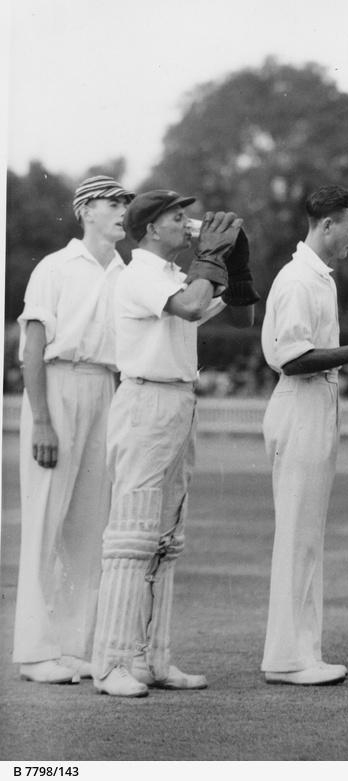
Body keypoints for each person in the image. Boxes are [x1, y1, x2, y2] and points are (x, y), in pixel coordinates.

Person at [90, 190, 257, 697]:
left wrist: (238, 260)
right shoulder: (139, 271)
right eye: (177, 218)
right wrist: (210, 255)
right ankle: (112, 663)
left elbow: (238, 317)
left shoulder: (172, 276)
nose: (187, 224)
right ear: (151, 228)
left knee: (166, 539)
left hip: (177, 401)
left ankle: (153, 658)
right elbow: (188, 308)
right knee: (131, 538)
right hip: (145, 402)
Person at [260, 186, 348, 685]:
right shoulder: (297, 280)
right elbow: (292, 358)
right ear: (328, 225)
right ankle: (287, 658)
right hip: (300, 403)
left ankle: (302, 653)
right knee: (297, 535)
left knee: (308, 536)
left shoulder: (320, 279)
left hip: (319, 402)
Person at [13, 176, 134, 685]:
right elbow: (32, 349)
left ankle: (70, 644)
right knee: (44, 520)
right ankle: (34, 651)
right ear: (86, 211)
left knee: (90, 526)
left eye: (126, 204)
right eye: (113, 204)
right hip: (58, 390)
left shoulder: (128, 273)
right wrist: (42, 419)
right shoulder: (55, 267)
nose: (122, 211)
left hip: (106, 388)